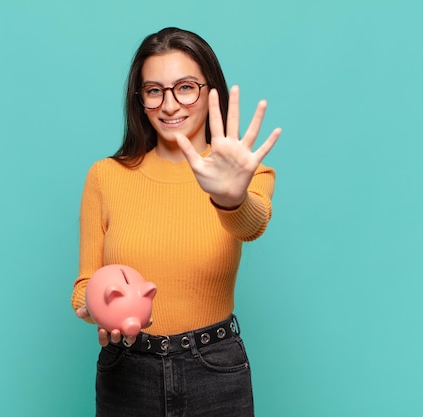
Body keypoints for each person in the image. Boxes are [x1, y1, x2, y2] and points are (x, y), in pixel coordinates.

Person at [71, 27, 281, 417]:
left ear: (209, 91)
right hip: (127, 368)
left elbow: (250, 225)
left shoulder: (245, 173)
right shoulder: (105, 177)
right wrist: (99, 308)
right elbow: (85, 284)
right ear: (140, 100)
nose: (169, 105)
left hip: (215, 370)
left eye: (185, 87)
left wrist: (229, 196)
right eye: (154, 91)